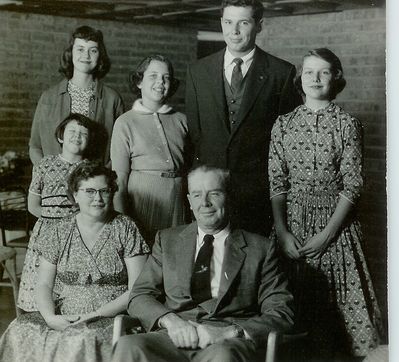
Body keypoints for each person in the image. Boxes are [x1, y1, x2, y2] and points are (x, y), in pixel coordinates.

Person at [268, 48, 383, 359]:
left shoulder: (348, 124)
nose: (315, 78)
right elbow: (277, 184)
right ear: (299, 78)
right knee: (290, 312)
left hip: (336, 228)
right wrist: (282, 232)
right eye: (308, 72)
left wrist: (328, 235)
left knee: (339, 323)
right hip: (292, 227)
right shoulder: (283, 123)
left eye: (323, 72)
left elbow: (353, 184)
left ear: (336, 78)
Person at [112, 165, 294, 362]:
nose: (205, 203)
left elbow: (281, 312)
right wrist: (171, 322)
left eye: (214, 194)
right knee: (129, 345)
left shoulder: (261, 248)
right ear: (189, 202)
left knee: (223, 356)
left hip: (226, 340)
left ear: (229, 197)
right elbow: (140, 295)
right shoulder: (167, 240)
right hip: (174, 334)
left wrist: (228, 333)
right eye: (197, 195)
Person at [0, 162, 150, 362]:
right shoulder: (60, 230)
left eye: (104, 191)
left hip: (112, 315)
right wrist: (50, 318)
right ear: (75, 195)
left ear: (112, 193)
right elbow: (43, 284)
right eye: (89, 191)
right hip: (65, 313)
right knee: (20, 330)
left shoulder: (125, 228)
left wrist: (94, 314)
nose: (97, 198)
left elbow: (137, 288)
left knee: (81, 339)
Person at [185, 0, 300, 235]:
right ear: (221, 23)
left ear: (259, 25)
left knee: (253, 263)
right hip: (210, 193)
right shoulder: (198, 71)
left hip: (257, 193)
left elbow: (287, 142)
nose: (234, 31)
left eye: (243, 23)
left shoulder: (281, 73)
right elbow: (196, 134)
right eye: (228, 22)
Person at [18, 113, 98, 312]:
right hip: (48, 229)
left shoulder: (90, 169)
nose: (77, 136)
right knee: (43, 280)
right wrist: (54, 224)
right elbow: (32, 205)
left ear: (89, 142)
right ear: (61, 136)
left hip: (79, 233)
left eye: (83, 134)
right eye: (72, 131)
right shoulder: (45, 164)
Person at [111, 54, 189, 244]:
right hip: (143, 200)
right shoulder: (125, 122)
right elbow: (119, 179)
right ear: (139, 82)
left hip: (178, 199)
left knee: (175, 257)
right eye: (153, 76)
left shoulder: (181, 120)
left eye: (166, 77)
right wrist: (122, 222)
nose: (160, 82)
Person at [29, 25, 124, 166]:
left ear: (100, 55)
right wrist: (49, 173)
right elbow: (35, 146)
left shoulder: (112, 99)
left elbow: (120, 150)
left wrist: (100, 178)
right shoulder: (48, 97)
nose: (86, 55)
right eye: (80, 49)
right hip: (55, 184)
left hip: (95, 183)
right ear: (70, 53)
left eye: (93, 50)